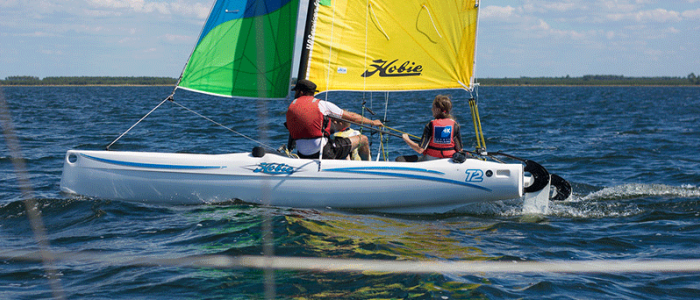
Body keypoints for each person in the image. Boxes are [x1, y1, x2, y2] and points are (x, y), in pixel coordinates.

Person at [286, 79, 382, 160]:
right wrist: (372, 122)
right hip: (324, 152)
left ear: (301, 92)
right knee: (363, 139)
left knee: (338, 143)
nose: (295, 94)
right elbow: (352, 117)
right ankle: (367, 169)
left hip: (302, 154)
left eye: (295, 91)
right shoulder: (321, 104)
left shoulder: (291, 107)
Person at [401, 94, 463, 161]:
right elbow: (460, 149)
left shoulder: (430, 125)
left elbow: (420, 149)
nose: (432, 109)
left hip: (432, 159)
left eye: (433, 107)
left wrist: (406, 139)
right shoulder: (455, 125)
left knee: (399, 159)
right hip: (449, 160)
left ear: (438, 109)